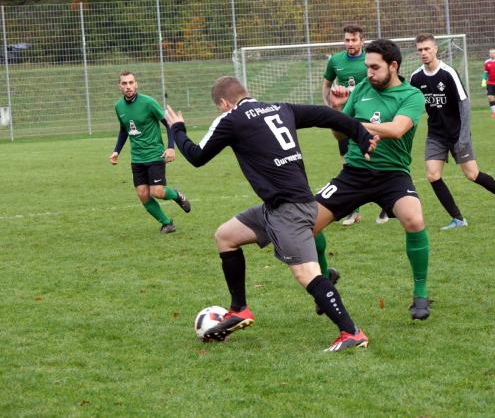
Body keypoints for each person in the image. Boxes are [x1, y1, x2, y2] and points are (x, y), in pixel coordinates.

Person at [165, 76, 379, 351]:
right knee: (225, 236)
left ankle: (351, 332)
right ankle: (239, 308)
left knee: (307, 274)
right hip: (279, 206)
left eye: (219, 107)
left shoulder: (231, 118)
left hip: (289, 210)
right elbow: (325, 115)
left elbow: (197, 156)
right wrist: (361, 136)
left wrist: (178, 129)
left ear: (223, 102)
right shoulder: (281, 108)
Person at [314, 38, 431, 320]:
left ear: (393, 66)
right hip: (353, 173)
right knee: (306, 224)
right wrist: (340, 113)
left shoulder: (411, 95)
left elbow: (396, 129)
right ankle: (324, 281)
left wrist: (351, 123)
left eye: (375, 67)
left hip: (393, 176)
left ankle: (421, 293)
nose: (368, 73)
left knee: (414, 219)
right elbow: (339, 135)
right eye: (367, 67)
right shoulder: (363, 88)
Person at [410, 34, 495, 231]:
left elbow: (464, 105)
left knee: (472, 174)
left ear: (435, 49)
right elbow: (411, 103)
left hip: (458, 132)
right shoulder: (416, 77)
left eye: (427, 49)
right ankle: (458, 219)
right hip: (435, 134)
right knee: (433, 175)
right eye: (420, 50)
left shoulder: (448, 73)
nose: (423, 53)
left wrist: (463, 136)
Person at [322, 24, 389, 226]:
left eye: (354, 40)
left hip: (370, 117)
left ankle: (387, 205)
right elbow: (326, 84)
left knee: (376, 159)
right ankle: (353, 211)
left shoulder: (370, 60)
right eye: (347, 40)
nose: (350, 43)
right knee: (348, 162)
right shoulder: (335, 60)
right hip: (346, 118)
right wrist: (331, 108)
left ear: (362, 41)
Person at [110, 71, 191, 233]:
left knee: (157, 192)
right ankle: (167, 223)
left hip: (155, 154)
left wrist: (170, 147)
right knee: (143, 194)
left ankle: (176, 195)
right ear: (120, 86)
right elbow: (124, 130)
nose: (128, 87)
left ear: (136, 84)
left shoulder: (148, 102)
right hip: (137, 157)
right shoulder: (119, 107)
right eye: (124, 83)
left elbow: (168, 124)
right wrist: (116, 151)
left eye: (131, 83)